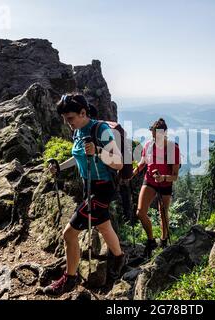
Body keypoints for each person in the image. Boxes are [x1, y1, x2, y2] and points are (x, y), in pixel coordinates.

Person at [43, 93, 125, 296]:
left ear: (83, 112)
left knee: (69, 234)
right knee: (104, 226)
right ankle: (120, 257)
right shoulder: (78, 131)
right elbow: (77, 155)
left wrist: (97, 151)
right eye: (64, 118)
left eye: (70, 118)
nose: (67, 122)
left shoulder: (101, 130)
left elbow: (119, 162)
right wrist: (60, 168)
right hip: (89, 186)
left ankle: (69, 279)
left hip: (102, 188)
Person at [132, 118, 180, 258]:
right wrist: (134, 172)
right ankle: (151, 240)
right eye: (153, 136)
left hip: (165, 183)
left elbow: (175, 176)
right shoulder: (148, 145)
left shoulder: (172, 149)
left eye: (157, 136)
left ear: (165, 134)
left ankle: (164, 240)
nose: (154, 139)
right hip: (150, 180)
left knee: (163, 213)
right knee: (140, 212)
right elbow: (143, 162)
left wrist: (163, 177)